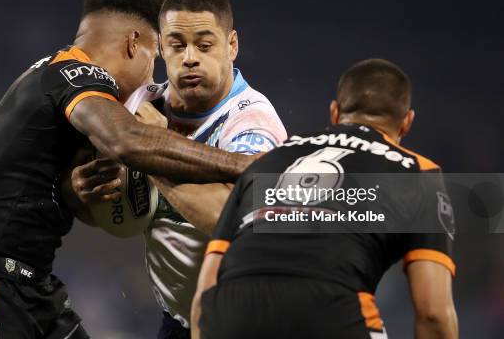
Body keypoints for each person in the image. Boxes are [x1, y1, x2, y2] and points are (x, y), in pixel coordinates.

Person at [0, 0, 255, 339]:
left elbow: (35, 186)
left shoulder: (48, 78)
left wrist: (69, 191)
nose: (151, 80)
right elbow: (127, 141)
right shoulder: (76, 74)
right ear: (134, 44)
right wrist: (244, 165)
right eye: (155, 57)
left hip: (29, 287)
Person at [70, 0, 287, 338]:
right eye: (177, 45)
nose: (189, 57)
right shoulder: (142, 106)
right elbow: (118, 212)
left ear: (231, 45)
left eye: (204, 45)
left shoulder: (251, 122)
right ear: (160, 48)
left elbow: (229, 218)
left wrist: (152, 152)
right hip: (178, 322)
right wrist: (82, 193)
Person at [191, 59, 458, 339]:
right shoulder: (418, 173)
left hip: (229, 316)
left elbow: (204, 293)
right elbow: (433, 314)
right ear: (406, 123)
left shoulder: (268, 161)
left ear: (334, 112)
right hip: (331, 314)